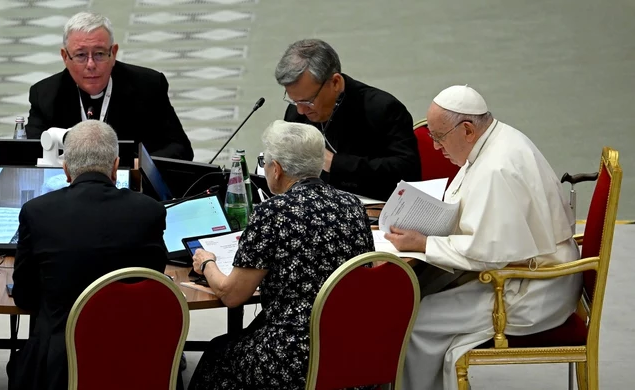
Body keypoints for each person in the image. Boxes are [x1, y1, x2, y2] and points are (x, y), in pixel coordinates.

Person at [383, 85, 582, 390]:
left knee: (416, 323)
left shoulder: (497, 169)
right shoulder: (499, 138)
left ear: (467, 130)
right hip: (522, 271)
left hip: (531, 289)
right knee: (420, 299)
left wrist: (423, 244)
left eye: (439, 137)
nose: (435, 147)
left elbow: (489, 252)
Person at [187, 120, 375, 390]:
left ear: (276, 169)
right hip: (350, 347)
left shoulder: (272, 212)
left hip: (293, 357)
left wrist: (207, 263)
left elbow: (232, 295)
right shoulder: (353, 205)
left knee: (219, 353)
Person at [8, 120, 170, 390]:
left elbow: (24, 295)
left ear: (66, 169)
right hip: (136, 355)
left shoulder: (37, 212)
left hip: (61, 363)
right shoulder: (150, 211)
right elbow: (154, 281)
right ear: (116, 167)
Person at [25, 11, 193, 160]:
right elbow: (30, 153)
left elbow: (180, 149)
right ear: (65, 57)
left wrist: (135, 167)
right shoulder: (45, 94)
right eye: (81, 55)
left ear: (113, 53)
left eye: (99, 54)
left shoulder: (148, 86)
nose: (90, 64)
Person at [275, 39, 421, 201]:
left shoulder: (383, 109)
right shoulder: (297, 114)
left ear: (335, 82)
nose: (301, 110)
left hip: (377, 212)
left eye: (308, 101)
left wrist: (335, 163)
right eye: (295, 101)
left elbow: (408, 171)